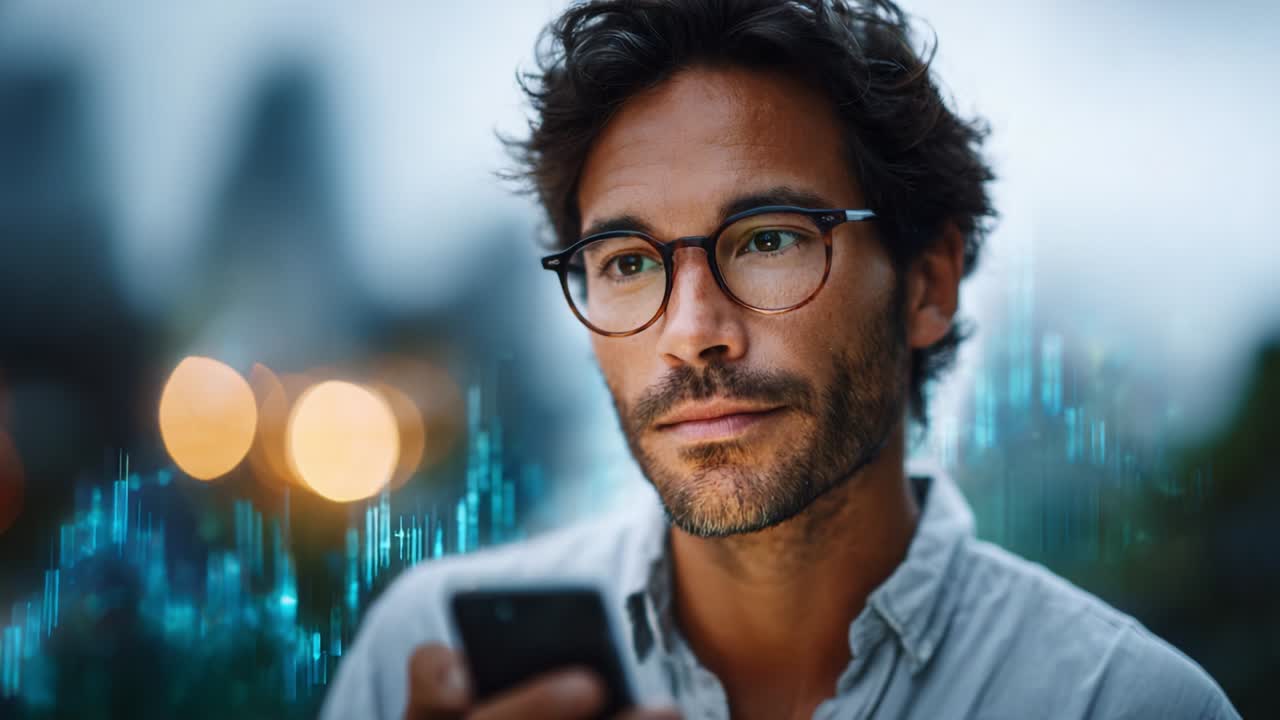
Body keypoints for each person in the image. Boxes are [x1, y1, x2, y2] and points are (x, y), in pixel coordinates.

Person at [322, 1, 1239, 718]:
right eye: (630, 263)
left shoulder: (1128, 705)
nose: (691, 331)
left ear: (928, 285)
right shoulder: (428, 655)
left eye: (767, 240)